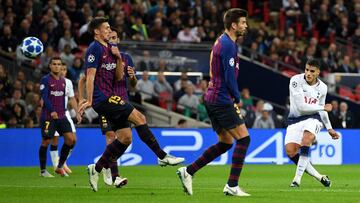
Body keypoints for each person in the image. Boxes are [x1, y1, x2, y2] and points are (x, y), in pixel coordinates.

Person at [78, 17, 184, 192]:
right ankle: (161, 156)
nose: (108, 30)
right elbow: (89, 76)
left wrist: (118, 58)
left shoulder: (110, 50)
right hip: (103, 98)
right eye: (105, 28)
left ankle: (96, 168)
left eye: (109, 27)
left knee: (126, 138)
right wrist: (89, 99)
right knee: (139, 117)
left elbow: (120, 77)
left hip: (113, 97)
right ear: (97, 31)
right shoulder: (94, 48)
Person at [176, 8, 251, 197]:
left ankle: (188, 171)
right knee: (244, 139)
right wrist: (237, 97)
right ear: (234, 25)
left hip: (212, 96)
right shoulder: (228, 45)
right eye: (242, 22)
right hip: (221, 98)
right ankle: (232, 185)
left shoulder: (223, 41)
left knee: (226, 142)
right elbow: (228, 76)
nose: (245, 26)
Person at [285, 59, 340, 187]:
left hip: (313, 118)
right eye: (306, 70)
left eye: (312, 71)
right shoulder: (295, 81)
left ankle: (296, 180)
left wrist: (329, 128)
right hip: (295, 119)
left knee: (307, 139)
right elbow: (301, 107)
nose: (308, 73)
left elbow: (322, 109)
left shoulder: (323, 88)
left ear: (318, 72)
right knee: (291, 151)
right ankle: (320, 177)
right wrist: (322, 107)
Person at [39, 57, 76, 177]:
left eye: (59, 64)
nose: (56, 66)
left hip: (61, 116)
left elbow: (68, 99)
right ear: (50, 66)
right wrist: (52, 111)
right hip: (49, 116)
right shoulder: (45, 80)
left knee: (70, 139)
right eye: (54, 64)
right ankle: (43, 171)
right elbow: (44, 97)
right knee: (46, 141)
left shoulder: (64, 81)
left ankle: (59, 166)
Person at [49, 62, 78, 175]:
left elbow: (71, 99)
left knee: (73, 140)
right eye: (61, 68)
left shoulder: (68, 82)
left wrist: (77, 112)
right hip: (53, 114)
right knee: (55, 139)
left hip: (65, 114)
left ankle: (63, 161)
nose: (63, 71)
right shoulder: (50, 81)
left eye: (65, 69)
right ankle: (57, 166)